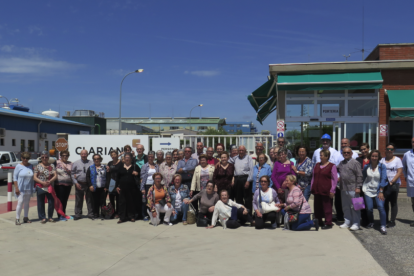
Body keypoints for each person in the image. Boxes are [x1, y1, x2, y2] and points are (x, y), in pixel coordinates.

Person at [311, 134, 342, 221]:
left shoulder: (335, 152)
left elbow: (337, 166)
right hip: (318, 182)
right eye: (323, 140)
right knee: (318, 205)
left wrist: (336, 180)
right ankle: (319, 220)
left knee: (327, 204)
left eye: (327, 141)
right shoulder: (316, 151)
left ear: (330, 142)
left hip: (327, 182)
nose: (325, 142)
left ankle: (328, 221)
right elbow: (314, 165)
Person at [311, 149, 338, 230]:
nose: (320, 157)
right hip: (317, 189)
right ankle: (318, 221)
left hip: (327, 190)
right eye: (320, 155)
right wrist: (312, 186)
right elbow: (313, 177)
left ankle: (328, 222)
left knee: (327, 207)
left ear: (327, 156)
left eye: (322, 155)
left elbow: (334, 179)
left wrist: (332, 190)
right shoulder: (317, 165)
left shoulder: (332, 166)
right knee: (317, 207)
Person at [337, 147, 363, 231]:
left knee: (356, 206)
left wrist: (358, 187)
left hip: (354, 188)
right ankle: (347, 221)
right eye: (344, 152)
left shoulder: (356, 163)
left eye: (348, 152)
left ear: (351, 154)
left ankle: (356, 223)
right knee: (345, 206)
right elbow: (336, 170)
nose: (346, 154)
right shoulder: (341, 163)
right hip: (344, 188)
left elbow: (359, 175)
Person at [362, 150, 388, 234]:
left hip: (378, 190)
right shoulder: (366, 166)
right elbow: (363, 177)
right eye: (372, 156)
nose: (374, 158)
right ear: (370, 157)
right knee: (369, 209)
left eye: (376, 156)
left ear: (378, 157)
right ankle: (371, 222)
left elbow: (383, 179)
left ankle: (383, 225)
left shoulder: (382, 166)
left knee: (381, 207)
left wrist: (381, 191)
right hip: (368, 190)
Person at [380, 143, 403, 228]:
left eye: (391, 149)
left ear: (393, 150)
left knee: (393, 202)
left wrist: (392, 181)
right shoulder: (382, 160)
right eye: (388, 149)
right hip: (385, 184)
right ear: (385, 150)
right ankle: (385, 219)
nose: (389, 151)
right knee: (385, 202)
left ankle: (392, 220)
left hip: (394, 184)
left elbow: (399, 172)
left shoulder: (397, 160)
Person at [34, 151, 57, 224]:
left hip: (49, 186)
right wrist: (42, 182)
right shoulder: (37, 166)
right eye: (43, 157)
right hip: (40, 186)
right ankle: (42, 217)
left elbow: (55, 175)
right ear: (41, 158)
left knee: (51, 202)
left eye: (46, 157)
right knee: (40, 202)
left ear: (48, 158)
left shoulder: (52, 166)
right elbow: (34, 177)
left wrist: (49, 181)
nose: (44, 158)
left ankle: (50, 217)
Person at [116, 153, 140, 223]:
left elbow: (140, 175)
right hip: (122, 188)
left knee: (131, 202)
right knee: (122, 202)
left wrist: (137, 173)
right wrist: (117, 186)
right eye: (126, 157)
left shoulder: (135, 166)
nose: (127, 159)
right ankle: (122, 217)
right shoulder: (120, 167)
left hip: (132, 188)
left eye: (128, 157)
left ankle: (131, 216)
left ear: (131, 159)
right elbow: (117, 177)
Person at [71, 149, 94, 220]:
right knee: (78, 200)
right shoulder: (76, 163)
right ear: (80, 155)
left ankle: (90, 214)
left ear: (87, 155)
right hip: (79, 184)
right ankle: (78, 214)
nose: (84, 155)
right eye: (82, 154)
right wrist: (76, 183)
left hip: (88, 184)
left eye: (85, 154)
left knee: (90, 200)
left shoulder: (91, 163)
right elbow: (72, 174)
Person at [13, 152, 34, 225]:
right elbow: (15, 178)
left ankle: (25, 217)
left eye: (27, 158)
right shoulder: (18, 166)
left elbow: (32, 177)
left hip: (28, 187)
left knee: (27, 203)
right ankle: (17, 218)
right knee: (20, 202)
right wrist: (16, 188)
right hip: (20, 187)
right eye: (24, 158)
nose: (25, 159)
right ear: (21, 158)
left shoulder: (31, 166)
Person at [86, 154, 108, 220]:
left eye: (98, 159)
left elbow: (108, 177)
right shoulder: (90, 168)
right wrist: (90, 185)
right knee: (95, 201)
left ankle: (103, 214)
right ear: (93, 160)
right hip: (94, 187)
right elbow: (87, 177)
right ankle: (96, 214)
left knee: (103, 201)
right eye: (95, 159)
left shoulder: (105, 167)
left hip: (103, 187)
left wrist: (106, 186)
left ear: (100, 159)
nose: (96, 160)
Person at [232, 145, 254, 211]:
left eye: (242, 150)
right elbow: (227, 161)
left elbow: (251, 170)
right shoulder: (235, 158)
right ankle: (241, 216)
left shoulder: (248, 158)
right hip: (237, 179)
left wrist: (248, 181)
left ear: (245, 151)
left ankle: (249, 216)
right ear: (238, 151)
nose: (241, 152)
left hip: (245, 179)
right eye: (240, 150)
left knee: (247, 198)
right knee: (238, 198)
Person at [140, 151, 159, 221]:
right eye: (149, 156)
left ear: (154, 158)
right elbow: (142, 178)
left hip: (154, 186)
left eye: (152, 157)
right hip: (146, 185)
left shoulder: (156, 166)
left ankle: (152, 214)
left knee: (153, 201)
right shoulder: (144, 166)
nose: (150, 158)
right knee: (145, 201)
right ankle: (144, 215)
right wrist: (142, 188)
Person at [55, 150, 73, 221]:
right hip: (59, 184)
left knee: (65, 200)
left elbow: (73, 172)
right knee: (60, 199)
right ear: (60, 156)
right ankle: (59, 215)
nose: (65, 157)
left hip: (68, 184)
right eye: (63, 155)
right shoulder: (56, 162)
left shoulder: (71, 163)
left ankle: (63, 214)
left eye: (66, 155)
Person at [356, 143, 370, 227]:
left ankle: (369, 220)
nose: (363, 151)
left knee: (369, 205)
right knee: (360, 203)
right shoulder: (358, 159)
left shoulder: (373, 158)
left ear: (368, 149)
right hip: (360, 184)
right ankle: (363, 220)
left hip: (370, 185)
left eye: (364, 149)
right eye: (361, 149)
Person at [107, 150, 122, 219]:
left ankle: (119, 213)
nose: (113, 156)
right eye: (112, 155)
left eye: (114, 154)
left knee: (119, 199)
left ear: (117, 155)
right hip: (111, 183)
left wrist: (119, 185)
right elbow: (108, 173)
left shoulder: (121, 163)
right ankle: (112, 212)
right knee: (112, 199)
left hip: (119, 182)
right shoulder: (110, 163)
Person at [402, 137, 414, 227]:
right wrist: (406, 176)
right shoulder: (407, 154)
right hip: (411, 181)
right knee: (413, 202)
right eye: (413, 142)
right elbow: (403, 167)